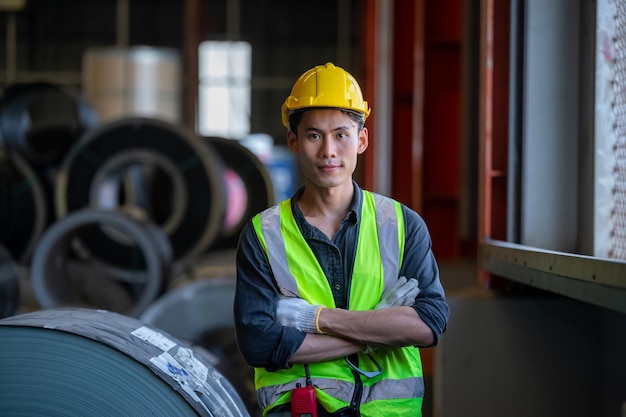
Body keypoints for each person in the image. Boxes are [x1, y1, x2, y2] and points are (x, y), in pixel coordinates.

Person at [234, 62, 450, 417]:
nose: (328, 151)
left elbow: (429, 325)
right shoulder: (263, 234)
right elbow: (258, 343)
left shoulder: (401, 224)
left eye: (341, 134)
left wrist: (316, 319)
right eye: (314, 135)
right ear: (293, 141)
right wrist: (379, 327)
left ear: (361, 139)